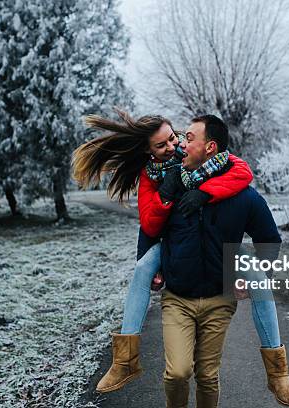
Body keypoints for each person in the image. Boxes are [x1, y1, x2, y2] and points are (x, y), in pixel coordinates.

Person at [71, 110, 253, 393]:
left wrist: (206, 192)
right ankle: (124, 359)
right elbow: (150, 225)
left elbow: (242, 171)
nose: (172, 147)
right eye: (162, 145)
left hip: (213, 239)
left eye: (173, 138)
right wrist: (165, 194)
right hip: (171, 242)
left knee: (258, 276)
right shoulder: (150, 176)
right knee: (143, 269)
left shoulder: (191, 152)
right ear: (148, 150)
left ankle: (278, 371)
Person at [157, 115, 289, 407]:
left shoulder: (243, 197)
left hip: (219, 300)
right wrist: (151, 268)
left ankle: (278, 372)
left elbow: (269, 240)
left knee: (208, 376)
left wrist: (255, 280)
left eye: (189, 138)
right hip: (177, 298)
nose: (182, 144)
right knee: (177, 373)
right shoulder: (174, 186)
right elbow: (149, 228)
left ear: (210, 147)